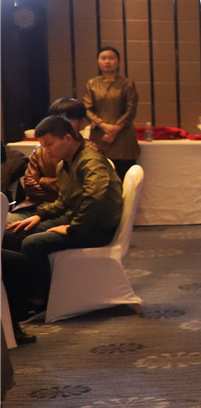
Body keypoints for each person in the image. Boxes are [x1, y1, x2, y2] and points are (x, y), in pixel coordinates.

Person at [3, 116, 125, 322]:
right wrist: (40, 215)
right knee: (12, 233)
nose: (46, 150)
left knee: (32, 243)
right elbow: (64, 201)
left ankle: (39, 300)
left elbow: (95, 198)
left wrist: (73, 228)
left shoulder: (91, 160)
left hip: (96, 228)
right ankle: (18, 299)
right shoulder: (65, 164)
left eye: (49, 144)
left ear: (68, 138)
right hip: (78, 219)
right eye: (43, 146)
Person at [82, 46, 140, 177]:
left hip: (123, 136)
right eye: (103, 58)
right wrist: (104, 126)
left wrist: (115, 129)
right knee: (98, 174)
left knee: (124, 175)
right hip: (99, 136)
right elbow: (87, 109)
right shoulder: (92, 84)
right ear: (98, 62)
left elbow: (131, 109)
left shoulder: (127, 84)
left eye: (111, 58)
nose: (107, 61)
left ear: (119, 62)